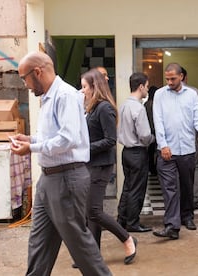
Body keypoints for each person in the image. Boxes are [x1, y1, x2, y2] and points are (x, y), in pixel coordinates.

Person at [11, 51, 112, 275]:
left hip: (66, 178)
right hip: (49, 178)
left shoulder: (64, 95)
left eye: (23, 78)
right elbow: (53, 137)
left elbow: (68, 139)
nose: (25, 84)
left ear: (37, 72)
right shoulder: (48, 97)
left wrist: (32, 148)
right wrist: (31, 140)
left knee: (79, 242)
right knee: (39, 242)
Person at [80, 68, 137, 265]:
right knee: (90, 211)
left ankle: (128, 239)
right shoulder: (91, 108)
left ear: (94, 87)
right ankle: (92, 255)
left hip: (101, 165)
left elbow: (110, 140)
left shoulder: (104, 108)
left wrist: (85, 148)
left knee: (94, 211)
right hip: (91, 164)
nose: (83, 91)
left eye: (85, 87)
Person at [153, 63, 198, 240]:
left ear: (181, 77)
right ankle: (172, 225)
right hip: (167, 150)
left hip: (187, 149)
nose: (169, 82)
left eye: (173, 79)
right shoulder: (160, 95)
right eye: (167, 79)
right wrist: (163, 145)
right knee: (169, 188)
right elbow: (158, 121)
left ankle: (187, 216)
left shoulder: (192, 95)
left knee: (187, 186)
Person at [117, 72, 155, 233]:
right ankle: (133, 223)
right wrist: (153, 138)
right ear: (141, 87)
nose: (147, 90)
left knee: (128, 187)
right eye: (146, 86)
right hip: (138, 153)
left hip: (126, 152)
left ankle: (122, 220)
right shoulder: (138, 108)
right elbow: (145, 135)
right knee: (137, 189)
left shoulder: (124, 105)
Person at [181, 66, 198, 210]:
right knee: (193, 167)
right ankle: (193, 199)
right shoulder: (194, 92)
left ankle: (180, 200)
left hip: (176, 139)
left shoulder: (164, 93)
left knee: (176, 169)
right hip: (190, 136)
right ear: (185, 76)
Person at [145, 85, 159, 176]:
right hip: (155, 130)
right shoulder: (155, 104)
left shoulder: (146, 104)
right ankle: (155, 168)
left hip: (148, 130)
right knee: (157, 151)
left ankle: (151, 168)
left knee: (150, 152)